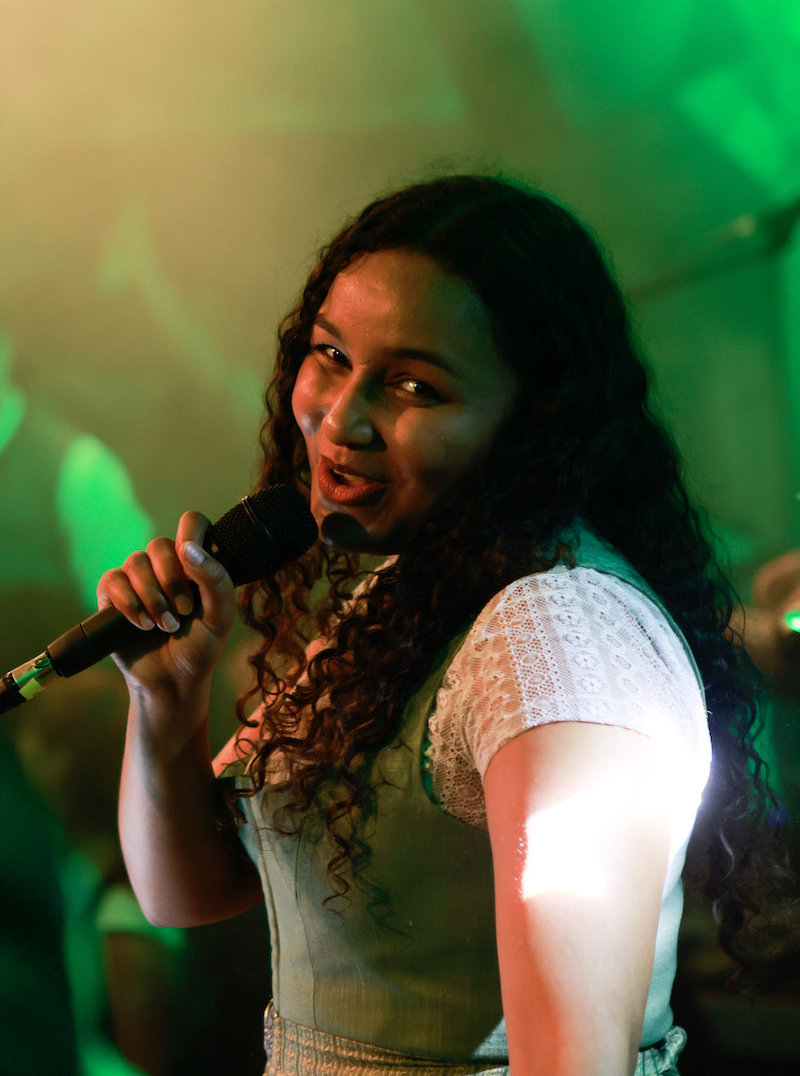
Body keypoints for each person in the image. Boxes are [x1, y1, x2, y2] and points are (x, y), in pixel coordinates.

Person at [97, 175, 789, 1076]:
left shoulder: (557, 646)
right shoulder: (424, 587)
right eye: (329, 355)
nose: (340, 418)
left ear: (532, 423)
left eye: (414, 386)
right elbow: (187, 893)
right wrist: (166, 707)